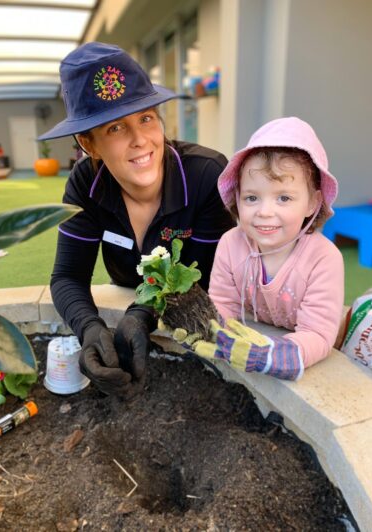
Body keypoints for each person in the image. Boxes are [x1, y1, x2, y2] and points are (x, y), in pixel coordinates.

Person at [38, 42, 234, 398]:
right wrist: (90, 329)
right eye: (115, 128)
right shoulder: (86, 183)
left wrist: (141, 313)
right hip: (129, 288)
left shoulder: (206, 175)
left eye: (146, 118)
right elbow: (67, 276)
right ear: (88, 144)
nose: (140, 140)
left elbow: (204, 273)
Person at [191, 117, 344, 380]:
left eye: (283, 198)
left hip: (327, 335)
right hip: (266, 326)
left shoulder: (323, 258)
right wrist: (212, 331)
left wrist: (273, 354)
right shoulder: (231, 243)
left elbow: (318, 335)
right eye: (252, 198)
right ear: (238, 198)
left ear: (312, 203)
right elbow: (222, 305)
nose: (264, 212)